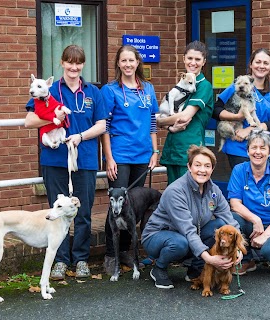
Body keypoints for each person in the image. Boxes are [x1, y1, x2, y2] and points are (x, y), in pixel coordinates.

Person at [25, 45, 108, 280]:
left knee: (83, 211)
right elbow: (29, 121)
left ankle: (81, 259)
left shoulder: (93, 92)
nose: (74, 67)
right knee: (57, 211)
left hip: (86, 158)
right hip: (55, 158)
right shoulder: (48, 90)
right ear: (62, 63)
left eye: (78, 63)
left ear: (83, 65)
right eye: (69, 62)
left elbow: (102, 125)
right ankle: (60, 260)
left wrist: (81, 136)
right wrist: (54, 117)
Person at [141, 145, 242, 289]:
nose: (202, 170)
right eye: (197, 165)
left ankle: (195, 268)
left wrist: (238, 250)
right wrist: (209, 259)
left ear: (212, 169)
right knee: (180, 243)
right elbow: (187, 230)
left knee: (219, 225)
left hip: (189, 234)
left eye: (207, 166)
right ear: (189, 166)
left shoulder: (214, 191)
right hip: (157, 237)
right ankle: (159, 268)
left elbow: (229, 220)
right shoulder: (176, 191)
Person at [100, 45, 159, 275]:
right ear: (118, 63)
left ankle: (124, 250)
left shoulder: (149, 89)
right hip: (120, 155)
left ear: (137, 63)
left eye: (131, 60)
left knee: (130, 208)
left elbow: (153, 122)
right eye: (123, 61)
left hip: (142, 155)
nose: (127, 64)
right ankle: (110, 254)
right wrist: (109, 158)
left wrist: (155, 151)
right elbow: (104, 125)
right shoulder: (110, 90)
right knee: (115, 205)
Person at [228, 129, 270, 274]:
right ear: (247, 151)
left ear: (269, 152)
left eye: (262, 148)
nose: (257, 152)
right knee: (230, 219)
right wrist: (255, 220)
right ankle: (247, 260)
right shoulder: (239, 171)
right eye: (254, 147)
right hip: (252, 224)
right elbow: (234, 204)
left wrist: (265, 235)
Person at [212, 48, 270, 168]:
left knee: (266, 186)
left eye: (265, 63)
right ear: (251, 64)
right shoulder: (237, 86)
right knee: (243, 185)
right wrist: (236, 117)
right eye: (258, 62)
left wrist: (251, 130)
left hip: (265, 149)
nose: (261, 66)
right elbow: (216, 110)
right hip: (239, 148)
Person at [157, 40, 214, 185]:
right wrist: (168, 125)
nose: (193, 63)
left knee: (189, 195)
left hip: (191, 149)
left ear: (204, 62)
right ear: (183, 59)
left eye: (197, 59)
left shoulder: (204, 86)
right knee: (172, 195)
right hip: (174, 147)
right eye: (189, 58)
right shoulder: (182, 83)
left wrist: (160, 121)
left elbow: (185, 116)